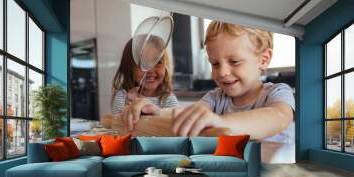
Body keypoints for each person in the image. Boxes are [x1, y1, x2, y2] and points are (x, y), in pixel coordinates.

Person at [121, 22, 295, 162]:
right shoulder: (215, 97)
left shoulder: (276, 93)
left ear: (263, 59)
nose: (222, 72)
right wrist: (157, 112)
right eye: (215, 64)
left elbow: (277, 118)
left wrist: (221, 123)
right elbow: (187, 117)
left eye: (234, 61)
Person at [111, 37, 179, 115]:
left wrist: (156, 111)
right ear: (129, 68)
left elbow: (176, 123)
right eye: (142, 63)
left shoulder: (168, 99)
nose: (150, 70)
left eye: (158, 62)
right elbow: (119, 125)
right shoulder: (123, 97)